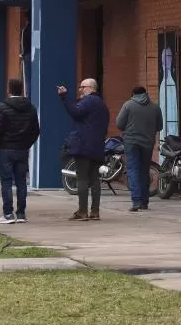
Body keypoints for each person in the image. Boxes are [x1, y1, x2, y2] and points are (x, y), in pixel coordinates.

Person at [0, 78, 40, 224]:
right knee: (21, 181)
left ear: (9, 89)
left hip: (5, 149)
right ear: (21, 89)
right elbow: (36, 131)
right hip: (22, 149)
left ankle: (8, 214)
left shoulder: (2, 107)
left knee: (6, 181)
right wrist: (27, 144)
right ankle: (21, 214)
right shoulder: (31, 108)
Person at [58, 78, 110, 221]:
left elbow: (75, 112)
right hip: (97, 145)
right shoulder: (102, 104)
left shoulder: (89, 101)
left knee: (82, 178)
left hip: (84, 145)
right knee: (95, 179)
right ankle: (95, 211)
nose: (80, 90)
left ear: (91, 88)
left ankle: (82, 211)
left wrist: (64, 97)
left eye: (82, 87)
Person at [116, 86, 163, 211]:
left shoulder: (128, 105)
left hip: (131, 142)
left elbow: (119, 124)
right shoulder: (155, 107)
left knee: (133, 169)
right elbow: (160, 126)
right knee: (144, 170)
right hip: (148, 143)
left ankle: (136, 201)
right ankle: (144, 202)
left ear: (133, 94)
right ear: (145, 93)